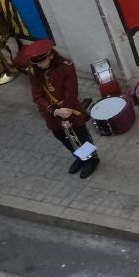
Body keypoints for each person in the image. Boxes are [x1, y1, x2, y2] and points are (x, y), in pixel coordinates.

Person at [14, 40, 96, 178]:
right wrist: (55, 111)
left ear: (51, 56)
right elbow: (37, 96)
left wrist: (65, 113)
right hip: (51, 113)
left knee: (81, 136)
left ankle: (92, 160)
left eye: (42, 61)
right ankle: (80, 157)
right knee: (63, 137)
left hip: (70, 109)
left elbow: (71, 93)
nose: (40, 65)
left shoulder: (66, 66)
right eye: (38, 63)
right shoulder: (34, 70)